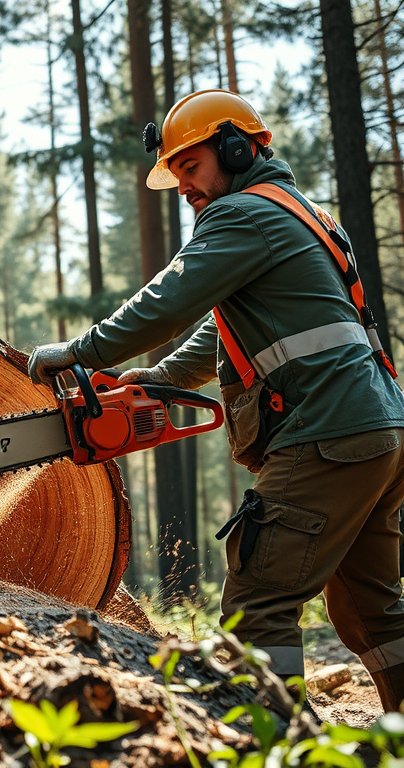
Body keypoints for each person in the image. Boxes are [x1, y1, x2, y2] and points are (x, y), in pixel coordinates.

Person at [28, 89, 404, 712]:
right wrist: (160, 379)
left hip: (326, 433)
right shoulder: (301, 214)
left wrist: (82, 351)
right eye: (175, 175)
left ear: (236, 148)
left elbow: (171, 298)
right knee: (372, 605)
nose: (184, 188)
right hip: (379, 431)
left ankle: (273, 744)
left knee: (259, 598)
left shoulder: (242, 217)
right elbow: (220, 330)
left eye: (190, 167)